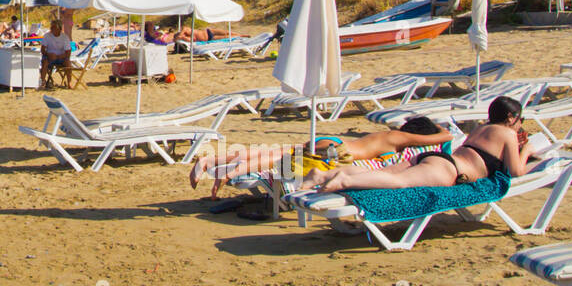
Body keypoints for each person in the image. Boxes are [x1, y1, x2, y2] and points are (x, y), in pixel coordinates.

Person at [309, 97, 534, 193]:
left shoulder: (480, 129)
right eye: (520, 119)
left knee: (385, 173)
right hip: (450, 170)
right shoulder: (507, 133)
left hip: (439, 159)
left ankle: (322, 175)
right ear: (510, 118)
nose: (520, 124)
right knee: (398, 183)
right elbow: (516, 171)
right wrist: (526, 150)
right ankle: (344, 180)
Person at [188, 116, 451, 198]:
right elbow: (445, 137)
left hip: (331, 140)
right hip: (340, 152)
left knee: (277, 151)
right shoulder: (399, 138)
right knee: (279, 160)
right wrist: (438, 128)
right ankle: (231, 171)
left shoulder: (387, 135)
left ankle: (211, 160)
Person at [40, 20, 72, 88]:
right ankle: (42, 81)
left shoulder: (65, 37)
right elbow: (42, 49)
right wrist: (48, 54)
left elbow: (68, 52)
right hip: (49, 57)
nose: (51, 29)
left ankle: (69, 82)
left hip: (61, 58)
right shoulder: (47, 36)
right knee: (44, 62)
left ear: (59, 29)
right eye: (51, 27)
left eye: (53, 27)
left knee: (68, 63)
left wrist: (61, 56)